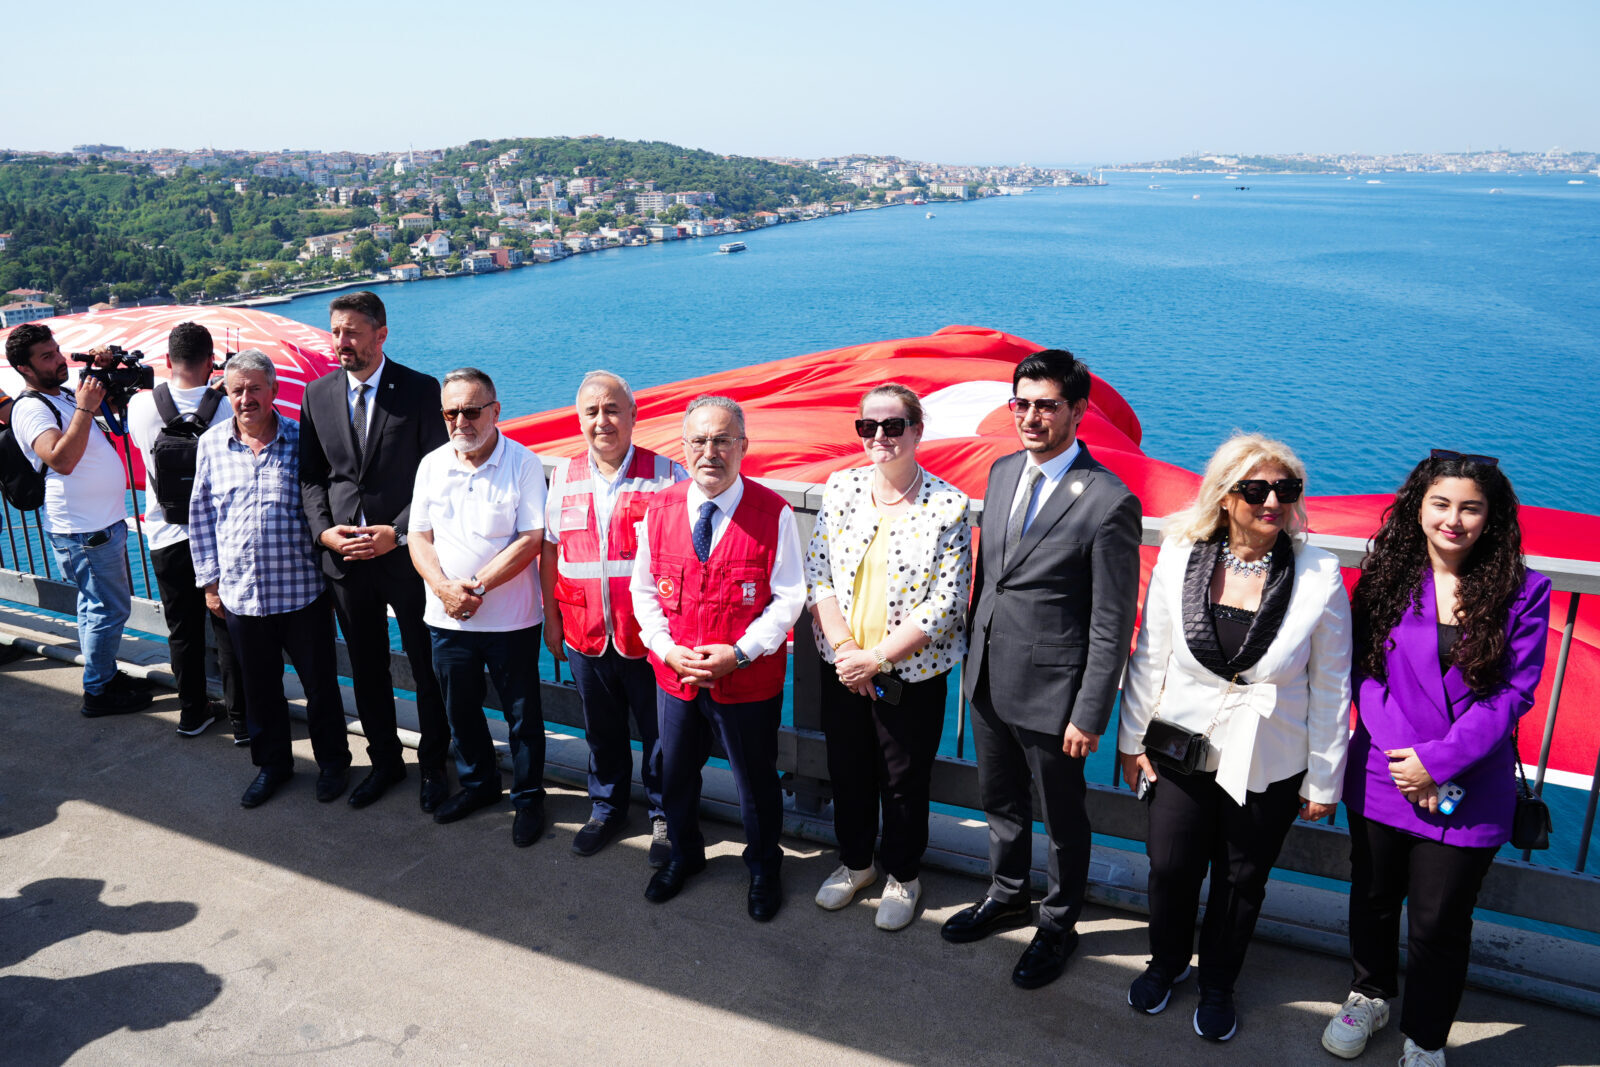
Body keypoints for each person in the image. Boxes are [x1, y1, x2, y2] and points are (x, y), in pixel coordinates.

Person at [1118, 433, 1353, 1041]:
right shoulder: (1179, 553)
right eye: (1256, 489)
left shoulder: (1319, 572)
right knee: (1169, 867)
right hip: (1180, 749)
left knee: (1241, 879)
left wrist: (1325, 777)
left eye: (1286, 489)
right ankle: (1167, 962)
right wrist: (1130, 739)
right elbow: (1150, 655)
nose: (1272, 501)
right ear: (1225, 496)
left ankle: (1219, 983)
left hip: (1270, 761)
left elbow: (1332, 686)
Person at [1321, 452, 1550, 1067]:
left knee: (1440, 920)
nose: (1454, 519)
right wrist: (1408, 759)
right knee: (1371, 895)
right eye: (1441, 503)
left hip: (1469, 780)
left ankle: (1425, 1036)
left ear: (1491, 516)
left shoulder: (1525, 591)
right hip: (1384, 770)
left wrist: (1439, 762)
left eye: (1470, 507)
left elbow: (1513, 692)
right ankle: (1368, 994)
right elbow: (1363, 672)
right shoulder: (1387, 576)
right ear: (1419, 507)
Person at [940, 348, 1141, 989]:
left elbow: (1111, 621)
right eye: (1021, 404)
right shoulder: (1002, 474)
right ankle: (1007, 894)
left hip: (1056, 695)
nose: (1030, 417)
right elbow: (990, 582)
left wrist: (1090, 712)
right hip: (989, 678)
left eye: (1046, 405)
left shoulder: (1109, 501)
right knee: (1000, 801)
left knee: (1061, 818)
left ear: (1076, 411)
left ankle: (1058, 925)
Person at [630, 395, 805, 922]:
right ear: (683, 449)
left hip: (746, 681)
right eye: (700, 441)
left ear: (743, 447)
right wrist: (665, 648)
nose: (711, 451)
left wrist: (742, 653)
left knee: (755, 781)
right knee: (674, 772)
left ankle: (763, 868)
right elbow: (643, 592)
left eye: (723, 440)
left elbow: (790, 596)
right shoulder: (658, 510)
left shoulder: (772, 512)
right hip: (676, 675)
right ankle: (685, 855)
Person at [804, 383, 972, 931]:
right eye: (867, 427)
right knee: (848, 771)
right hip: (843, 666)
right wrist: (848, 652)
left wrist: (875, 658)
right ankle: (856, 865)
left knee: (903, 780)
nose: (880, 437)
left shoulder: (948, 505)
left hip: (910, 675)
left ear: (917, 431)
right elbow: (819, 573)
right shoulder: (841, 487)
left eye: (893, 426)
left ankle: (904, 874)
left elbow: (946, 602)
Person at [299, 291, 451, 812]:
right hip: (345, 560)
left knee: (427, 665)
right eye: (336, 331)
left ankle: (435, 765)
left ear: (381, 334)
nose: (341, 342)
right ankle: (384, 761)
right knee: (365, 667)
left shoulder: (419, 390)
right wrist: (324, 533)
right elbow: (312, 478)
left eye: (352, 332)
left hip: (407, 557)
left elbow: (438, 478)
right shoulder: (316, 394)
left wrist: (399, 532)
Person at [189, 350, 352, 808]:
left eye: (255, 388)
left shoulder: (303, 441)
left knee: (320, 687)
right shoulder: (211, 444)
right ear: (227, 394)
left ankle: (334, 764)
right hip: (242, 595)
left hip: (302, 592)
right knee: (260, 690)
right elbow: (200, 516)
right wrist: (210, 582)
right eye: (237, 390)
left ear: (274, 391)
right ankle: (273, 766)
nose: (246, 399)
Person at [541, 371, 684, 864]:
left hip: (649, 638)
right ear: (579, 420)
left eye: (612, 410)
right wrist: (551, 620)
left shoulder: (668, 474)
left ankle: (666, 816)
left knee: (661, 736)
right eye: (591, 412)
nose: (602, 421)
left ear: (633, 415)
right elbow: (551, 551)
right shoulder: (562, 476)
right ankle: (607, 809)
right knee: (601, 731)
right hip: (585, 634)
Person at [408, 367, 548, 844]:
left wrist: (476, 588)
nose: (460, 421)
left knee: (522, 717)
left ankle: (528, 799)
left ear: (495, 411)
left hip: (511, 620)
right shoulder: (431, 465)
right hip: (446, 618)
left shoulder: (523, 464)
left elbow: (532, 539)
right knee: (459, 711)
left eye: (471, 410)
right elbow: (418, 536)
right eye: (451, 412)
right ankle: (479, 786)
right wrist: (445, 588)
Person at [4, 323, 150, 716]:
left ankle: (100, 676)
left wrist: (103, 376)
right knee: (110, 609)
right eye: (46, 357)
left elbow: (113, 409)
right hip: (84, 529)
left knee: (93, 606)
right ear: (25, 368)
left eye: (56, 350)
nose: (58, 360)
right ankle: (99, 692)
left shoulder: (64, 395)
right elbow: (61, 460)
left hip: (98, 523)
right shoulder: (32, 407)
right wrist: (85, 405)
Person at [126, 322, 244, 740]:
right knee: (228, 626)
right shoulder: (228, 405)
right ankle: (243, 716)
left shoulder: (139, 406)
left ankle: (192, 712)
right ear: (212, 361)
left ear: (166, 361)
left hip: (165, 533)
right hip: (219, 535)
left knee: (183, 629)